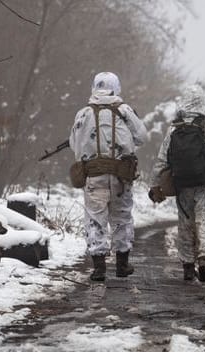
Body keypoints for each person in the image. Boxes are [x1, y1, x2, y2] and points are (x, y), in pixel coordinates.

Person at [149, 84, 205, 282]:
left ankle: (188, 266)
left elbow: (161, 161)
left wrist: (155, 185)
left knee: (185, 223)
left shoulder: (174, 129)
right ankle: (204, 259)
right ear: (203, 103)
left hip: (181, 184)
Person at [69, 72, 147, 281]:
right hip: (121, 175)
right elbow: (142, 137)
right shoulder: (125, 111)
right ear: (117, 87)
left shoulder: (83, 114)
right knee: (122, 218)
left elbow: (73, 144)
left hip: (94, 175)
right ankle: (122, 265)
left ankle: (99, 268)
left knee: (95, 219)